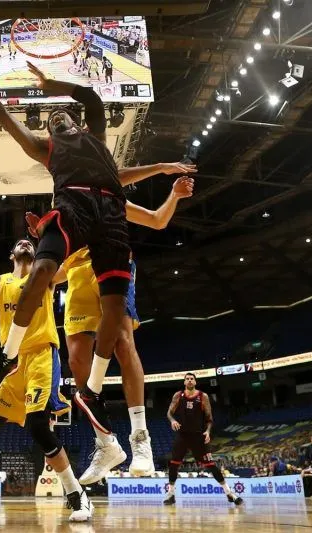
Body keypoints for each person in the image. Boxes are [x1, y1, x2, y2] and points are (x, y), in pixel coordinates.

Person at [0, 60, 195, 438]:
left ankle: (93, 391)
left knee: (115, 312)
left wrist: (49, 83)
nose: (56, 119)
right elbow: (1, 115)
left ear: (77, 121)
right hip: (73, 205)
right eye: (51, 120)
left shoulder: (97, 140)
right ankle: (8, 357)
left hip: (110, 211)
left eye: (61, 116)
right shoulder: (46, 148)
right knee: (40, 272)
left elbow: (89, 96)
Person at [37, 177, 194, 483]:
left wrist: (174, 195)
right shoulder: (63, 215)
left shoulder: (111, 201)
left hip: (112, 264)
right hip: (76, 274)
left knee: (122, 343)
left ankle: (140, 436)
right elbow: (58, 272)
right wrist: (42, 251)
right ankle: (105, 443)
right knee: (77, 360)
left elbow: (157, 220)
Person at [0, 241, 92, 522]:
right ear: (12, 255)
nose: (24, 243)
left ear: (36, 254)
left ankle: (77, 495)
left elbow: (72, 265)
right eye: (19, 243)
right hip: (10, 364)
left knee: (38, 427)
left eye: (30, 243)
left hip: (40, 357)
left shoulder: (45, 275)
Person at [164, 373, 242, 506]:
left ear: (195, 382)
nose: (189, 381)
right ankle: (171, 495)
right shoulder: (178, 395)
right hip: (182, 435)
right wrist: (172, 421)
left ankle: (229, 493)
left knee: (211, 466)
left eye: (191, 379)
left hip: (198, 437)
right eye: (187, 379)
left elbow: (209, 418)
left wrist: (207, 431)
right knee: (173, 465)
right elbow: (169, 413)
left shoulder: (203, 396)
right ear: (184, 382)